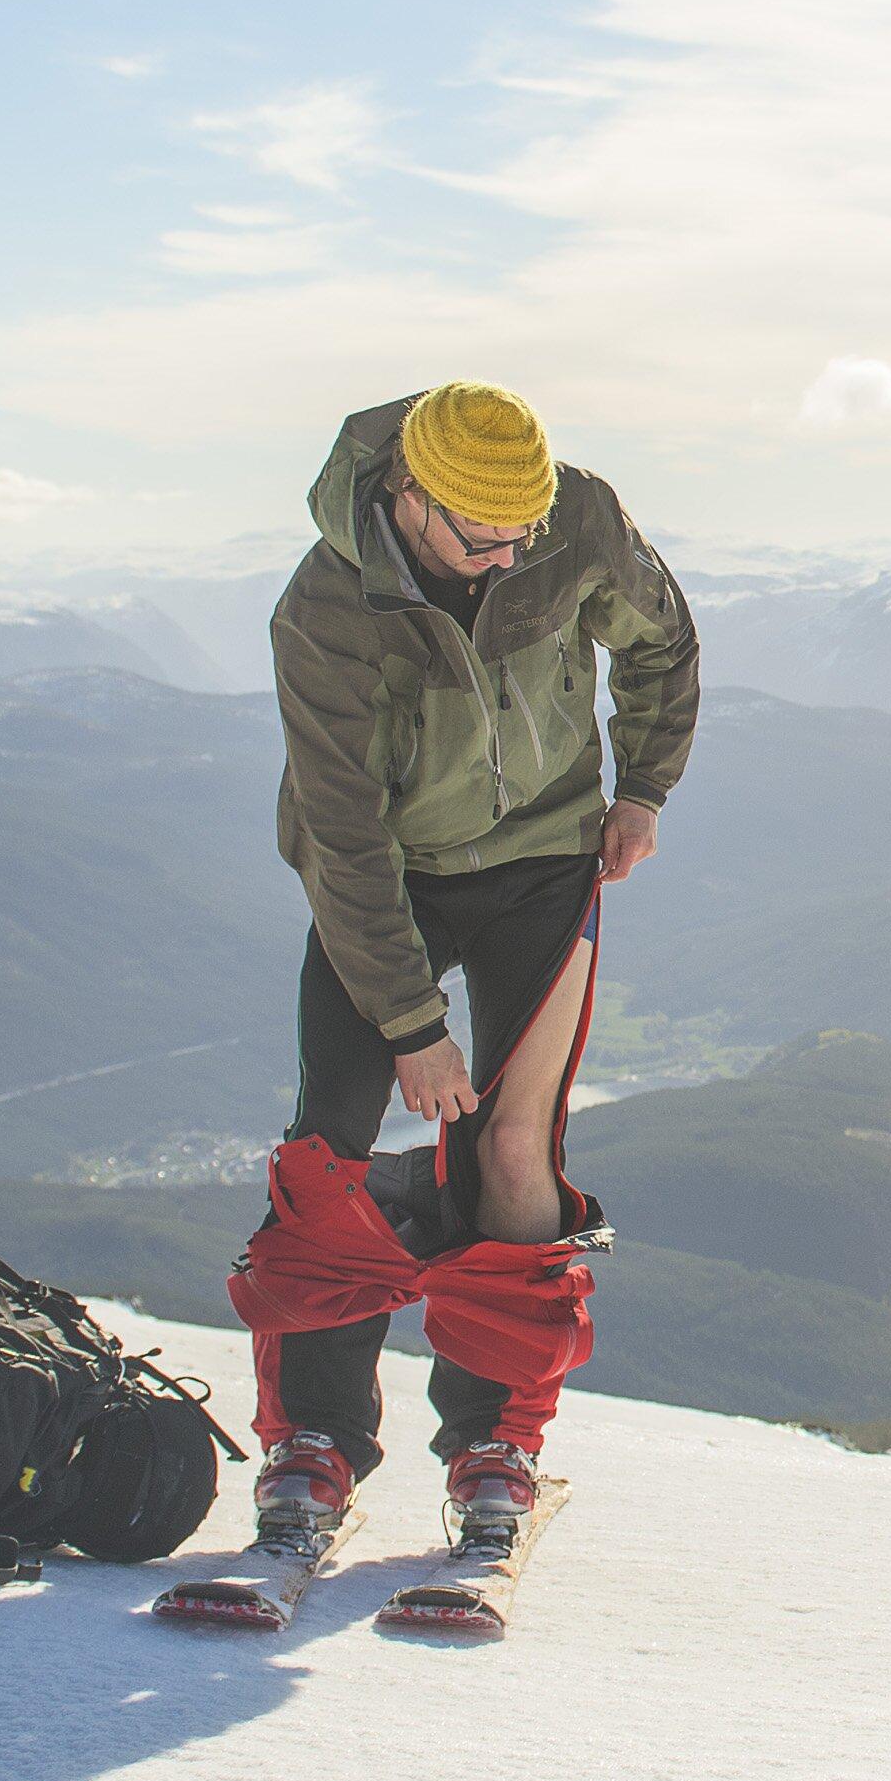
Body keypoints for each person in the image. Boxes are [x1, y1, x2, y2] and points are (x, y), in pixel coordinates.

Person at [226, 380, 698, 1566]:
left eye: (520, 534)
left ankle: (495, 1441)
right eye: (480, 536)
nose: (503, 557)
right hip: (388, 875)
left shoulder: (570, 519)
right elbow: (342, 836)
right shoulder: (328, 607)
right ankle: (315, 1441)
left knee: (513, 1145)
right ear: (410, 495)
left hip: (542, 859)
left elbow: (662, 639)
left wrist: (640, 785)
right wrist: (408, 1020)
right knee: (327, 1144)